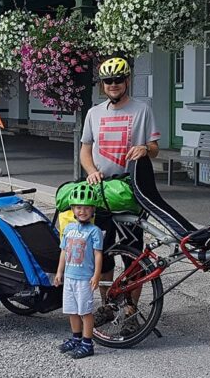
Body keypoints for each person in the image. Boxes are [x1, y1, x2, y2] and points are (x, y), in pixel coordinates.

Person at [79, 56, 159, 327]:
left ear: (127, 81)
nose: (112, 85)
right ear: (102, 85)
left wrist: (145, 149)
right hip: (101, 190)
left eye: (117, 80)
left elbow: (155, 147)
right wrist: (90, 170)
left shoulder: (142, 110)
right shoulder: (94, 113)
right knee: (103, 250)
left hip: (129, 189)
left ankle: (131, 310)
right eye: (107, 81)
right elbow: (85, 149)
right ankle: (107, 305)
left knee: (133, 253)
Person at [53, 183, 103, 359]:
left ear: (93, 209)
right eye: (78, 207)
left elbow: (98, 255)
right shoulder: (68, 229)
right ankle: (76, 338)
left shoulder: (95, 231)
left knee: (85, 311)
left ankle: (87, 343)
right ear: (73, 209)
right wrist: (59, 272)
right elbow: (64, 252)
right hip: (69, 277)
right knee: (72, 310)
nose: (82, 211)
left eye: (87, 208)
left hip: (84, 279)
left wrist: (96, 274)